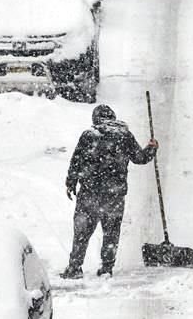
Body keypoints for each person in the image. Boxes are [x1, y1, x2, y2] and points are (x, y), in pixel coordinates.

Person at [60, 104, 158, 279]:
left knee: (82, 232)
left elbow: (76, 161)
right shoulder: (124, 135)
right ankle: (106, 268)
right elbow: (140, 158)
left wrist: (71, 182)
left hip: (89, 193)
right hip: (114, 195)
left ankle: (74, 268)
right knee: (111, 232)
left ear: (96, 119)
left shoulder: (89, 135)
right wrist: (151, 148)